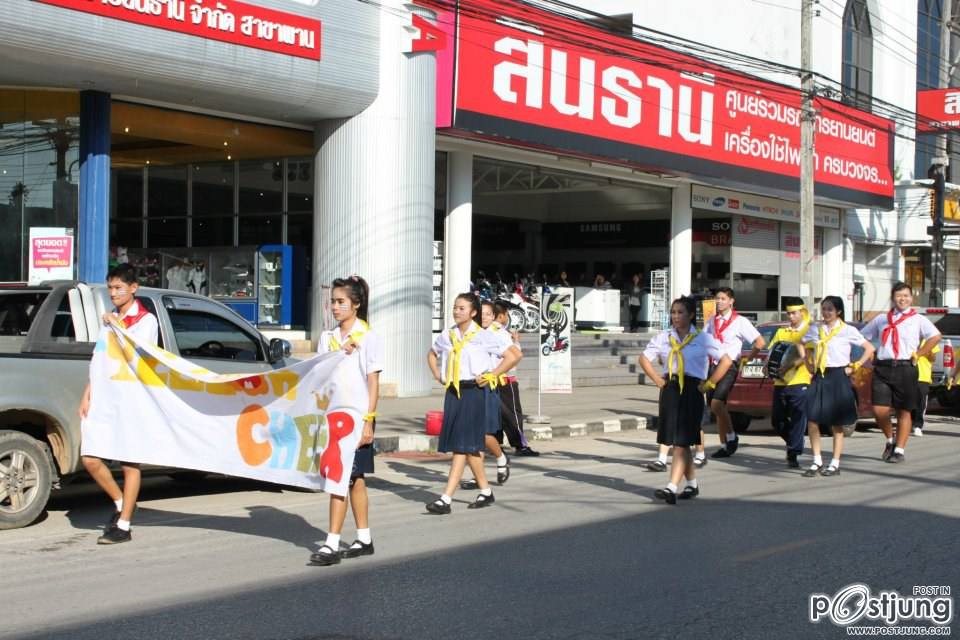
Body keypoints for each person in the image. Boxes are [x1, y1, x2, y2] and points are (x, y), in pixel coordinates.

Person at [78, 264, 160, 545]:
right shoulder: (110, 318)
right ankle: (121, 502)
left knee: (129, 461)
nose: (113, 293)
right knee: (90, 457)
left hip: (129, 399)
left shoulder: (145, 320)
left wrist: (117, 325)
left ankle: (123, 525)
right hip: (104, 397)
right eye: (110, 288)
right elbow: (99, 358)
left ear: (133, 287)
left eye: (118, 288)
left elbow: (139, 355)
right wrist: (88, 392)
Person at [425, 293, 522, 514]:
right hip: (453, 391)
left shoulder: (483, 336)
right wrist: (437, 373)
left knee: (463, 445)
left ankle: (446, 498)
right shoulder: (448, 335)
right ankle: (485, 491)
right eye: (455, 307)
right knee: (468, 447)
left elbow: (514, 356)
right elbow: (432, 354)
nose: (456, 311)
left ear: (473, 312)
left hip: (474, 391)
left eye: (461, 308)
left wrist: (492, 374)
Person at [309, 276, 382, 566]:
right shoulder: (328, 338)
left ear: (356, 304)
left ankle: (331, 543)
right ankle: (364, 538)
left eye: (341, 302)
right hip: (332, 417)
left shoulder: (367, 337)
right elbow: (318, 376)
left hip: (357, 418)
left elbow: (373, 382)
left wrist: (369, 421)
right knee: (353, 478)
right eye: (333, 302)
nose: (335, 307)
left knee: (343, 478)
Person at [638, 296, 733, 504]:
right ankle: (692, 484)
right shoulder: (664, 337)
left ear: (691, 315)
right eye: (673, 312)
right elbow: (644, 358)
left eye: (680, 312)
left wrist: (708, 385)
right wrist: (656, 379)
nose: (676, 316)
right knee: (674, 438)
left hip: (692, 389)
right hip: (670, 388)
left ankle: (671, 487)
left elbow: (726, 361)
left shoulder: (702, 338)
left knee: (681, 441)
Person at [860, 282, 940, 463]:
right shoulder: (881, 319)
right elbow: (863, 337)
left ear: (911, 298)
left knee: (904, 411)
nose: (902, 299)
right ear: (893, 298)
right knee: (879, 410)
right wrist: (870, 354)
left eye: (906, 295)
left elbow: (935, 337)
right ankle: (890, 439)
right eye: (898, 295)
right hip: (883, 367)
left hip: (906, 367)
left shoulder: (917, 319)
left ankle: (900, 450)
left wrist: (920, 354)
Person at [799, 296, 874, 477]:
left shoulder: (847, 330)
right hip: (820, 375)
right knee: (813, 419)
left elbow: (869, 348)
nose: (826, 313)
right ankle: (817, 459)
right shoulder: (816, 329)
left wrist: (855, 365)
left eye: (830, 309)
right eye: (824, 309)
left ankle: (835, 462)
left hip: (838, 375)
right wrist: (807, 362)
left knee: (836, 422)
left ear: (838, 311)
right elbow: (800, 343)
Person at [703, 287, 765, 459]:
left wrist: (747, 359)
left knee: (717, 403)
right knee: (717, 408)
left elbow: (760, 342)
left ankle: (731, 437)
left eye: (723, 298)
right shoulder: (712, 321)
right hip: (713, 365)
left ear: (731, 301)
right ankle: (725, 444)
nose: (719, 301)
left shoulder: (740, 321)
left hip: (729, 366)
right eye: (717, 298)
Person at [767, 297, 813, 468]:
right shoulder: (782, 332)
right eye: (789, 313)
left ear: (802, 312)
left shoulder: (809, 331)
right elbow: (772, 351)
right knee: (777, 420)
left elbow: (808, 355)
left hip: (800, 380)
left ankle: (793, 452)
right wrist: (767, 365)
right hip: (780, 382)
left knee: (798, 417)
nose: (791, 316)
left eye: (794, 313)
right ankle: (794, 442)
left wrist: (790, 365)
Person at [911, 338, 938, 437]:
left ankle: (917, 425)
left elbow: (933, 358)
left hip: (923, 375)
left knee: (921, 402)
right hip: (907, 374)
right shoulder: (908, 337)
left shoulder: (929, 340)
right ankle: (908, 422)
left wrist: (925, 350)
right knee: (908, 401)